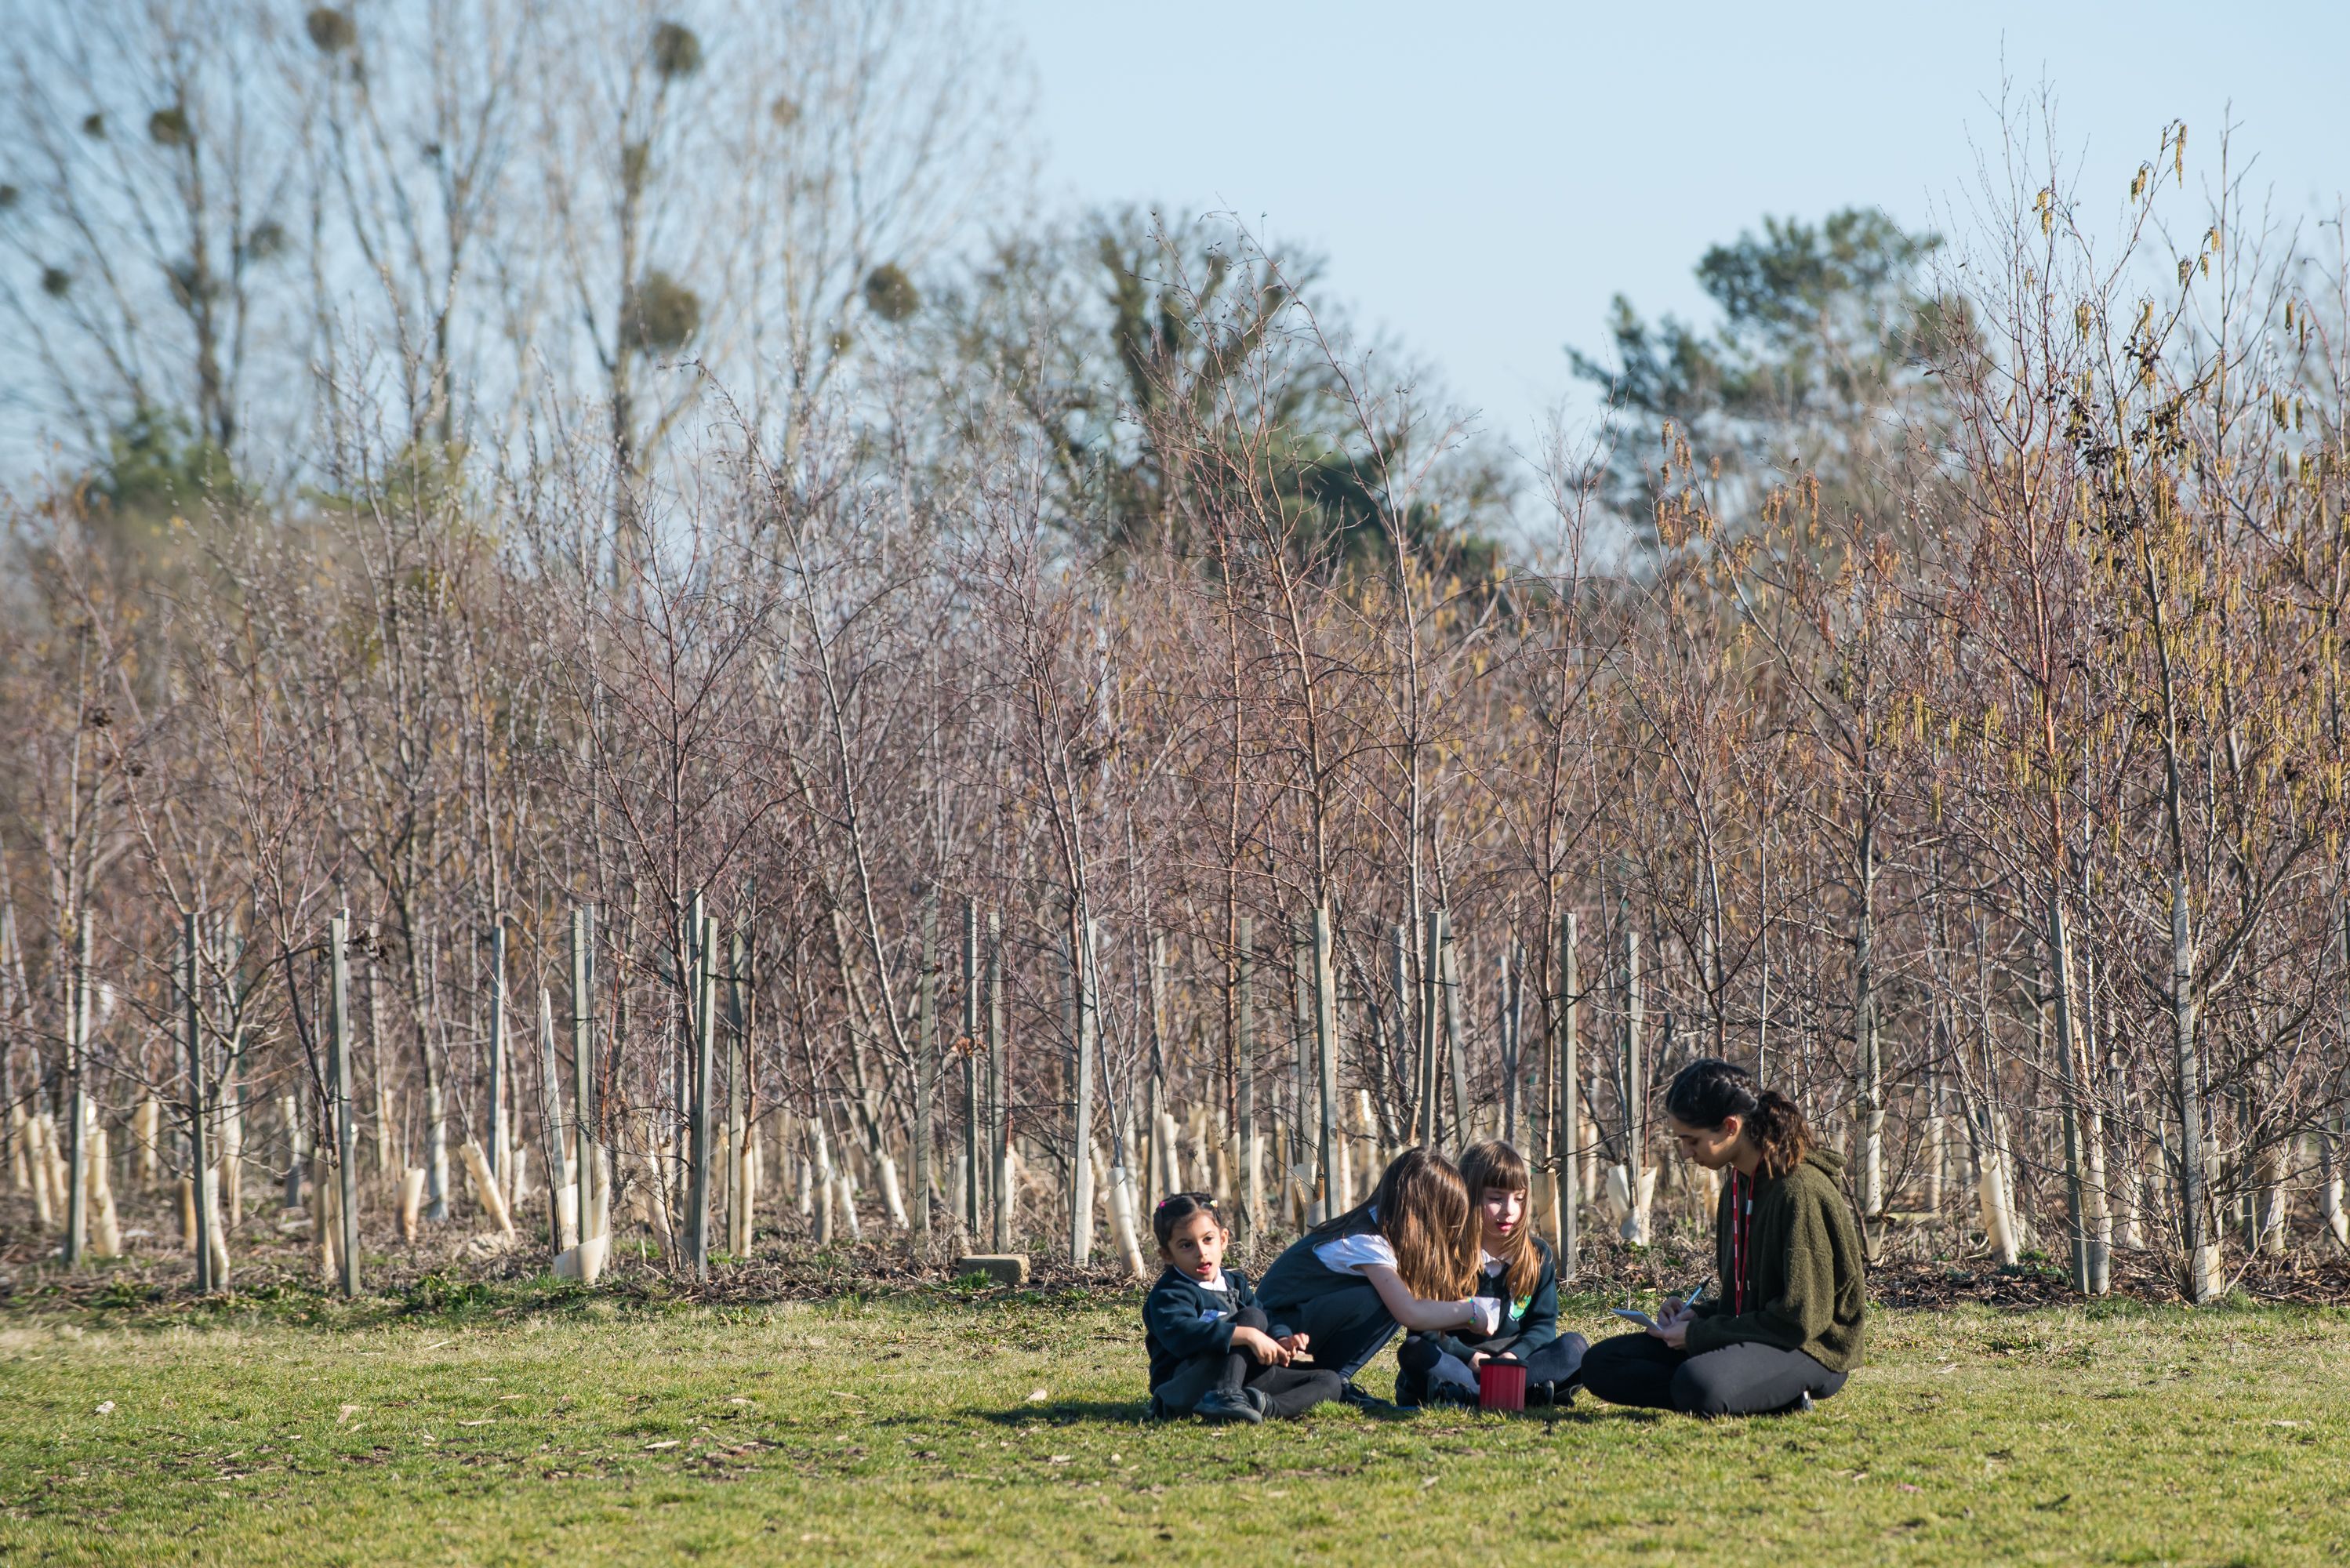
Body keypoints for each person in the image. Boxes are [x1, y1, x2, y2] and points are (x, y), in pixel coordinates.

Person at [1579, 1058, 1865, 1417]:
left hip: (1810, 1349)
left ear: (1730, 1127)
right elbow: (1746, 1302)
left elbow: (1800, 1320)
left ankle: (1757, 1391)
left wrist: (1699, 1335)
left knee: (1698, 1384)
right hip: (1759, 1336)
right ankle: (1753, 1394)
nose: (1686, 1153)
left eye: (1692, 1140)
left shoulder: (1800, 1192)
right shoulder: (1737, 1185)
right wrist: (1690, 1315)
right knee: (1602, 1363)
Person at [1255, 1147, 1499, 1404]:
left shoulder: (1381, 1231)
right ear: (1424, 1211)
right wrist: (1471, 1313)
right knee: (1386, 1299)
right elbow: (1410, 1314)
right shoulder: (1366, 1243)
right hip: (1276, 1329)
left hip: (1298, 1320)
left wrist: (1465, 1328)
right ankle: (1336, 1379)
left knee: (1395, 1296)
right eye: (1444, 1217)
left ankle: (1331, 1380)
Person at [1394, 1138, 1587, 1407]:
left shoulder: (1537, 1255)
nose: (1509, 1210)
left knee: (1574, 1347)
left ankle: (1469, 1395)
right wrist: (1468, 1357)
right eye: (1496, 1198)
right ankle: (1517, 1394)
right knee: (1414, 1350)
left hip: (1516, 1363)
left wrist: (1513, 1358)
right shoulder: (1443, 1254)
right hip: (1460, 1361)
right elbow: (1425, 1328)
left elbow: (1543, 1326)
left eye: (1518, 1199)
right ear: (1469, 1196)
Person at [1144, 1192, 1345, 1423]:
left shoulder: (1235, 1283)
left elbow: (1267, 1319)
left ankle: (1261, 1406)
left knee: (1329, 1381)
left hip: (1243, 1377)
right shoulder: (1170, 1293)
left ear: (1223, 1239)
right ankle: (1224, 1396)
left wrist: (1281, 1339)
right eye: (1186, 1245)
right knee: (1251, 1318)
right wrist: (1247, 1335)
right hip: (1184, 1386)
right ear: (1167, 1255)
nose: (1201, 1252)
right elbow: (1182, 1334)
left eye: (1208, 1239)